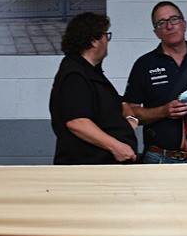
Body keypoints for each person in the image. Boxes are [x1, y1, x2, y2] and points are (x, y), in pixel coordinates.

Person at [124, 1, 187, 164]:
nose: (169, 26)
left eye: (174, 19)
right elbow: (129, 112)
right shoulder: (144, 64)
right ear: (156, 33)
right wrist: (163, 112)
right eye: (162, 22)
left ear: (184, 25)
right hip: (159, 158)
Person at [48, 12, 138, 165]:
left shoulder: (92, 72)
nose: (107, 41)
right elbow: (77, 122)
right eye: (106, 35)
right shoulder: (74, 75)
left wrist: (130, 119)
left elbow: (119, 104)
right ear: (94, 41)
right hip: (87, 168)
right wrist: (117, 147)